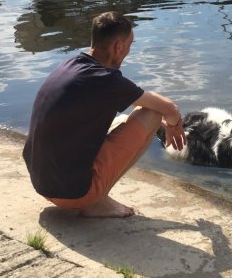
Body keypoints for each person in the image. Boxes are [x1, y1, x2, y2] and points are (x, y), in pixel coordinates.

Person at [23, 11, 185, 218]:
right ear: (118, 46)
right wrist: (174, 125)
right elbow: (168, 108)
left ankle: (92, 195)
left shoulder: (69, 66)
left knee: (121, 118)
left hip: (42, 183)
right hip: (74, 194)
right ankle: (97, 201)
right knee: (152, 113)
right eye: (130, 45)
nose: (128, 51)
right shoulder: (105, 79)